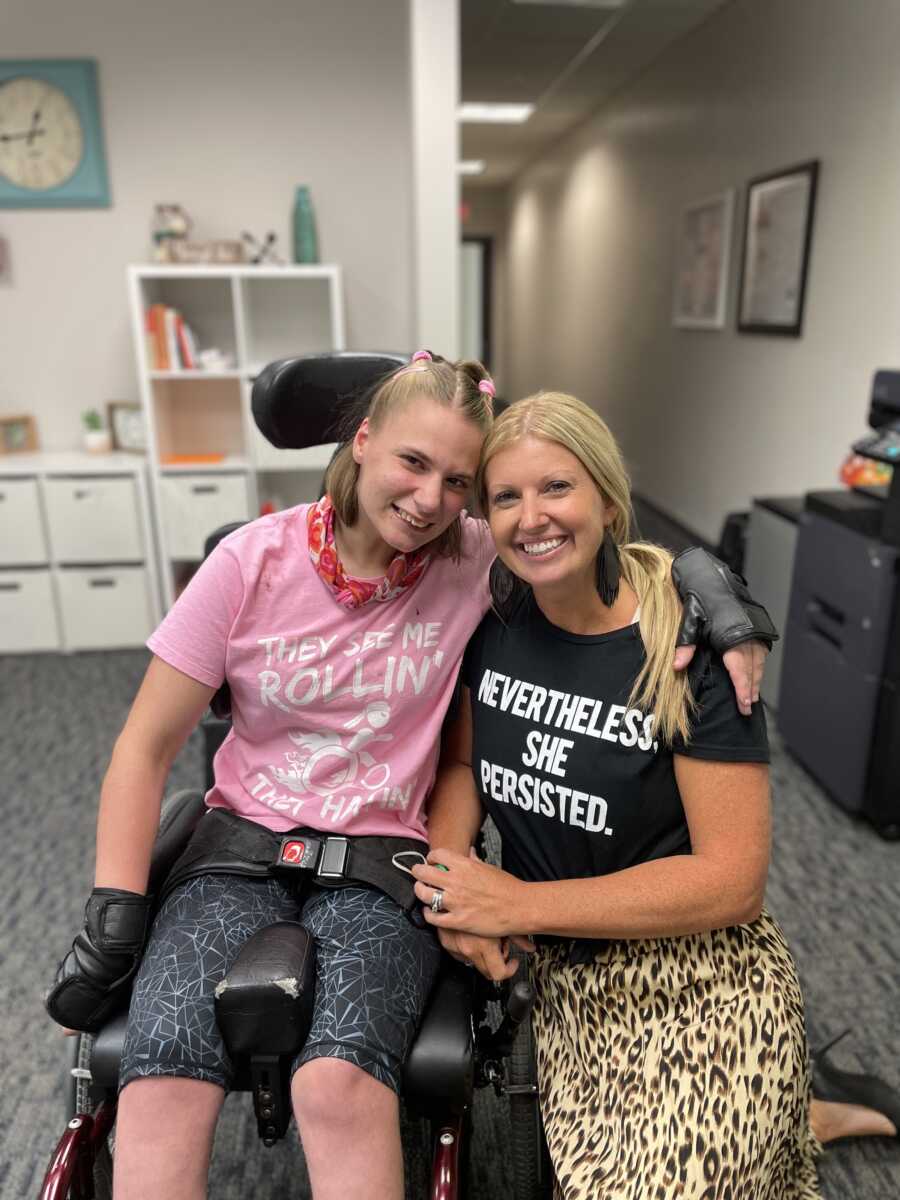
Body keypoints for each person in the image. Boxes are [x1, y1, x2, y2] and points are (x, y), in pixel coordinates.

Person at [45, 355, 773, 1200]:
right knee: (162, 1081)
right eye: (412, 463)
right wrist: (115, 906)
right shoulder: (248, 563)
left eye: (458, 481)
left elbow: (581, 538)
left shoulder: (473, 556)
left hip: (382, 861)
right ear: (361, 442)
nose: (430, 500)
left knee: (338, 1085)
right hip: (237, 849)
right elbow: (143, 748)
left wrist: (713, 586)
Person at [412, 391, 899, 1200]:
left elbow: (732, 883)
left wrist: (519, 901)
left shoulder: (687, 639)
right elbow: (460, 769)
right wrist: (451, 879)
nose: (532, 517)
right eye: (506, 496)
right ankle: (795, 1115)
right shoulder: (490, 621)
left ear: (607, 499)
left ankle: (793, 1107)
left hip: (702, 971)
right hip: (574, 978)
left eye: (557, 488)